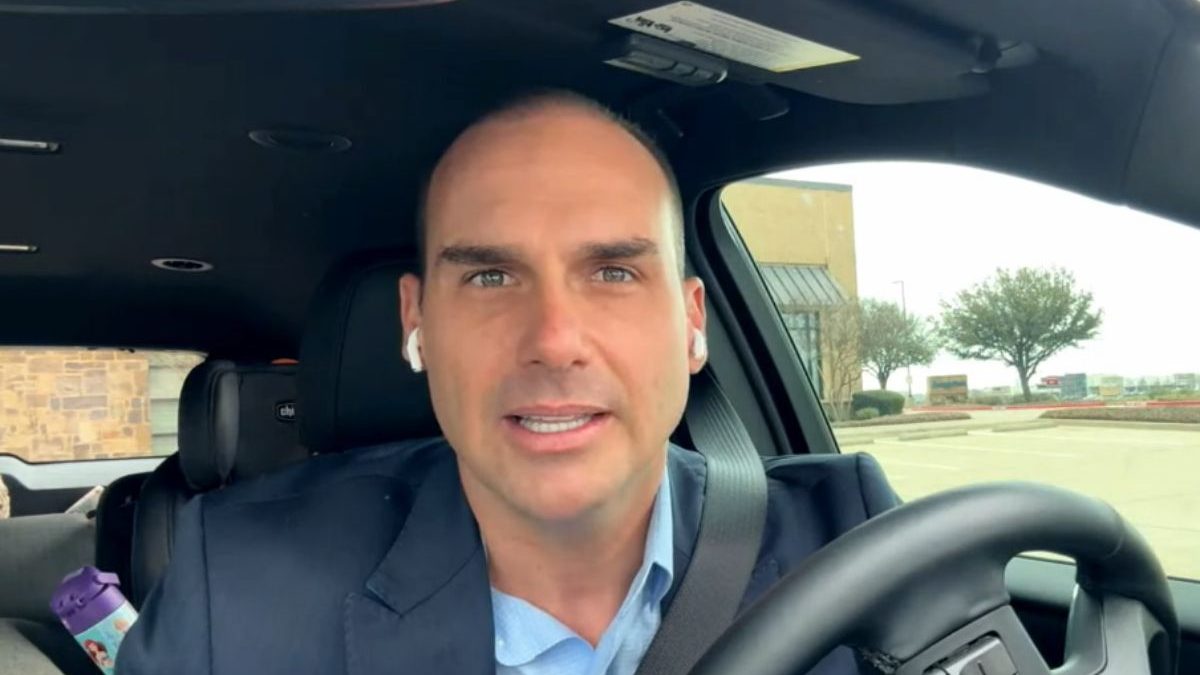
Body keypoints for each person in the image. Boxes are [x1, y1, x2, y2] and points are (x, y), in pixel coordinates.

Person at [116, 91, 898, 675]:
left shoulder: (849, 538)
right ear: (418, 324)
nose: (554, 340)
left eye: (614, 272)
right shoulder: (240, 588)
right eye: (490, 276)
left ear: (692, 323)